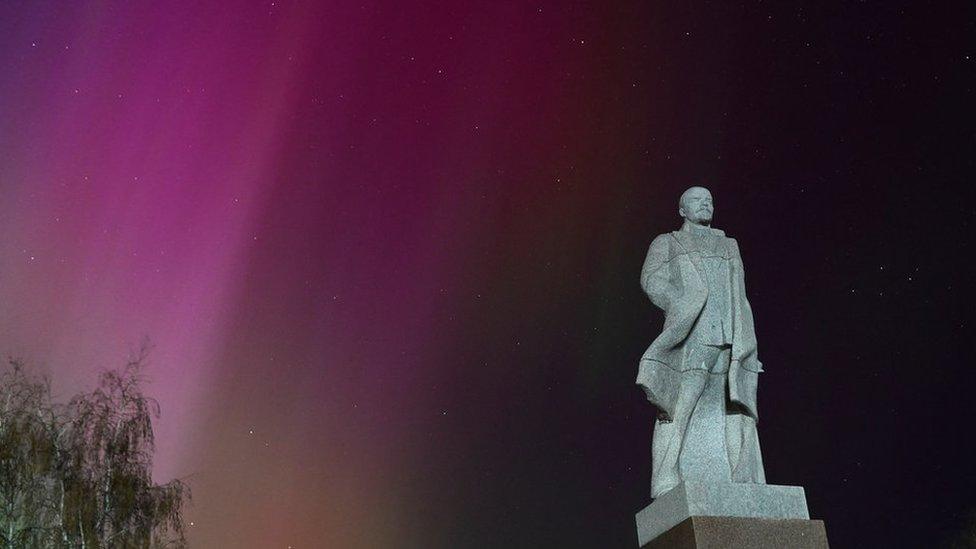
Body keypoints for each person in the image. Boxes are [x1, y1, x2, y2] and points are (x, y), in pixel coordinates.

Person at [637, 186, 766, 498]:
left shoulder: (729, 245)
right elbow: (651, 281)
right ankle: (666, 478)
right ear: (682, 209)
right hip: (696, 336)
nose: (706, 204)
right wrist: (682, 302)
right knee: (681, 406)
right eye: (697, 200)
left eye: (709, 200)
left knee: (736, 409)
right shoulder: (668, 242)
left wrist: (747, 339)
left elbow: (741, 293)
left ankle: (744, 478)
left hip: (731, 337)